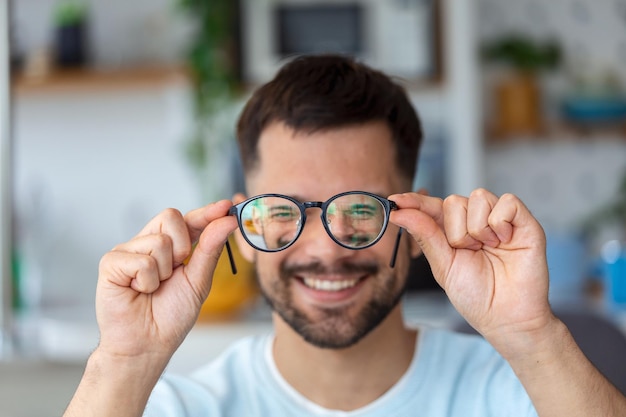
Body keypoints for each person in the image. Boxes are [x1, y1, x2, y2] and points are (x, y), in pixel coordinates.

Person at [63, 54, 626, 417]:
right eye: (285, 210)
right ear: (240, 229)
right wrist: (123, 361)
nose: (326, 249)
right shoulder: (172, 407)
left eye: (360, 208)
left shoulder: (514, 395)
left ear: (412, 225)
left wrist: (532, 335)